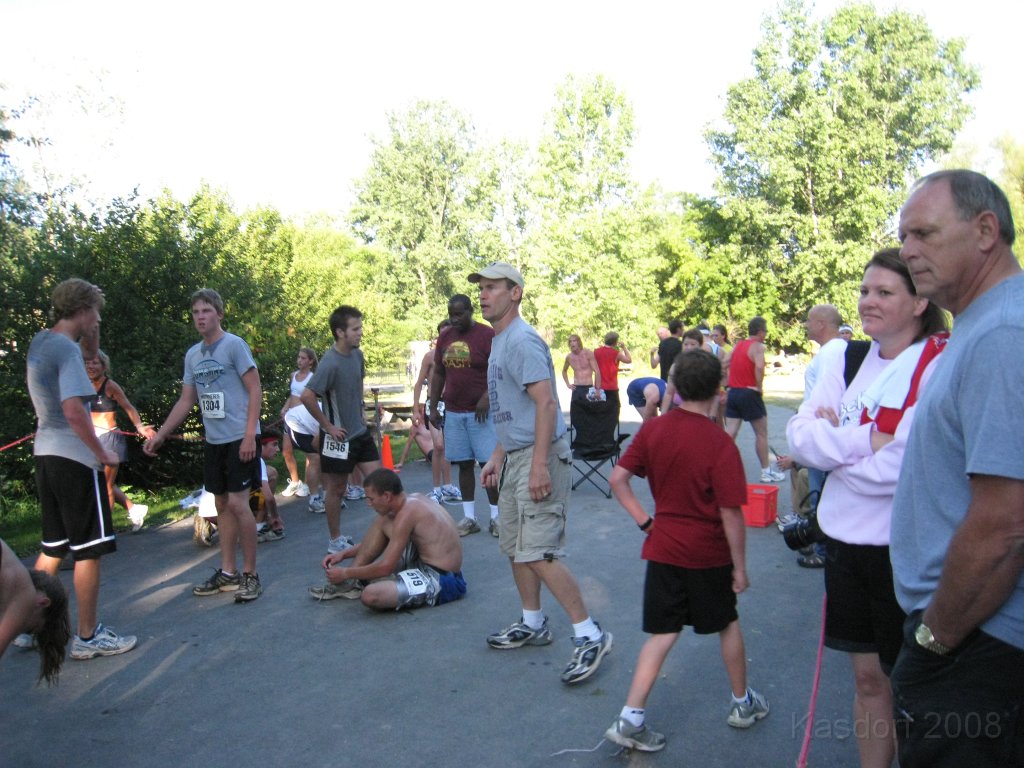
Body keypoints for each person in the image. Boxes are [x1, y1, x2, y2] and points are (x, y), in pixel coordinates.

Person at [787, 250, 948, 768]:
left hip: (907, 552)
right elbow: (800, 439)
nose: (868, 302)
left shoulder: (938, 363)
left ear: (920, 301)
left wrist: (836, 444)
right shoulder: (842, 358)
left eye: (884, 293)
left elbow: (904, 466)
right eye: (864, 291)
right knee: (866, 679)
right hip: (845, 546)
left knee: (914, 685)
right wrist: (868, 439)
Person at [890, 170, 1024, 767]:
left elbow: (1005, 524)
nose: (907, 250)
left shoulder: (1002, 333)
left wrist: (935, 638)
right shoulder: (986, 325)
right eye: (902, 236)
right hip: (974, 636)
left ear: (986, 231)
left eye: (923, 233)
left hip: (976, 643)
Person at [604, 350, 769, 752]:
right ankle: (742, 703)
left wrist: (646, 522)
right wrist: (740, 568)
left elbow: (617, 480)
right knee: (727, 623)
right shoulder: (719, 443)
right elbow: (731, 513)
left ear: (674, 387)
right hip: (707, 553)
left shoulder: (654, 431)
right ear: (719, 390)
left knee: (662, 633)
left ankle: (631, 717)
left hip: (663, 549)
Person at [471, 262, 612, 686]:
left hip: (540, 456)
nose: (483, 295)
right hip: (515, 455)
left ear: (515, 293)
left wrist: (536, 465)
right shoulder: (499, 342)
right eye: (481, 288)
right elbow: (515, 408)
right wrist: (498, 454)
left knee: (538, 551)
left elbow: (547, 405)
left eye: (492, 288)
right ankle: (533, 623)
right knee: (516, 547)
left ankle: (589, 634)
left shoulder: (522, 341)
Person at [26, 278, 137, 657]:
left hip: (46, 453)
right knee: (88, 549)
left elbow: (91, 349)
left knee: (54, 546)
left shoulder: (41, 342)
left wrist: (92, 335)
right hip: (74, 457)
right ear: (85, 310)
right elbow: (75, 410)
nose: (97, 320)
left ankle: (28, 622)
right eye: (96, 314)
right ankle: (89, 638)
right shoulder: (67, 351)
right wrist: (102, 453)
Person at [145, 288, 264, 603]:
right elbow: (187, 399)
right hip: (214, 441)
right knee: (221, 505)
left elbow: (255, 390)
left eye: (206, 311)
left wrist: (251, 434)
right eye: (196, 312)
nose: (200, 316)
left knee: (240, 505)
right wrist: (160, 434)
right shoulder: (193, 355)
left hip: (240, 437)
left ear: (219, 314)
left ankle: (251, 574)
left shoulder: (234, 346)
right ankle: (228, 572)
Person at [308, 469, 466, 610]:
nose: (369, 504)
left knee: (370, 595)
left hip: (444, 579)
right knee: (383, 520)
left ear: (387, 496)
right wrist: (343, 554)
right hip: (424, 562)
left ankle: (353, 580)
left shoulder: (407, 514)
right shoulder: (412, 501)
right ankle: (352, 584)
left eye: (371, 499)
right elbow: (384, 540)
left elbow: (386, 567)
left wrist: (346, 573)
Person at [299, 305, 382, 554]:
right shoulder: (329, 362)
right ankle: (335, 539)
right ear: (340, 332)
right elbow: (307, 396)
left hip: (359, 433)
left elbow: (358, 384)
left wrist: (361, 411)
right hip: (338, 438)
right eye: (355, 329)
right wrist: (328, 427)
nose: (360, 333)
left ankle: (392, 532)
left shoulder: (358, 355)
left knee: (380, 482)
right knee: (336, 489)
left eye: (360, 327)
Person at [781, 303, 847, 568]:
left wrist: (813, 437)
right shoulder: (833, 350)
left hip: (822, 436)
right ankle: (825, 546)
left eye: (809, 321)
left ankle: (824, 550)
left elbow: (826, 398)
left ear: (822, 324)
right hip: (823, 434)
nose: (806, 325)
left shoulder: (832, 352)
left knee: (822, 496)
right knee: (823, 493)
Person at [428, 295, 501, 537]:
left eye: (459, 313)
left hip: (480, 413)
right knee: (463, 464)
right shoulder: (446, 337)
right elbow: (438, 372)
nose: (454, 318)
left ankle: (496, 517)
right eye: (451, 313)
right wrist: (433, 405)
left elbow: (499, 370)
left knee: (487, 465)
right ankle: (469, 518)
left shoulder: (486, 335)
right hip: (454, 411)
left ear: (471, 311)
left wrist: (487, 397)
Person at [83, 349, 157, 532]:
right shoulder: (81, 384)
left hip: (110, 438)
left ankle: (104, 530)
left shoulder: (110, 386)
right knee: (95, 481)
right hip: (90, 440)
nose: (91, 366)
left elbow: (128, 407)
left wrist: (139, 427)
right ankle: (134, 509)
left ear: (103, 366)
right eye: (87, 363)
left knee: (105, 486)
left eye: (95, 363)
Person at [1, 538, 71, 684]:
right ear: (43, 602)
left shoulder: (9, 571)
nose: (18, 629)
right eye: (29, 629)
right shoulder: (25, 594)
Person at [724, 317, 784, 483]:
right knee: (761, 433)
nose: (765, 335)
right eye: (765, 331)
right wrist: (758, 387)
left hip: (733, 392)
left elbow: (723, 363)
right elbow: (759, 366)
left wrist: (726, 383)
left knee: (730, 433)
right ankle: (766, 471)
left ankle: (718, 468)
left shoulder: (737, 346)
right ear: (759, 332)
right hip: (749, 393)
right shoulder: (757, 346)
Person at [413, 320, 458, 506]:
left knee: (447, 447)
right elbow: (418, 383)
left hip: (451, 404)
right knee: (438, 446)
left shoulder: (457, 356)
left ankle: (447, 486)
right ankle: (436, 488)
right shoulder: (430, 357)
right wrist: (415, 409)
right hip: (434, 404)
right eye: (442, 334)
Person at [278, 347, 317, 499]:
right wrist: (285, 408)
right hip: (290, 418)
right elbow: (292, 395)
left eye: (303, 358)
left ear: (311, 361)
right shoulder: (293, 375)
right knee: (286, 450)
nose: (299, 361)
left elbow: (312, 399)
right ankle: (295, 481)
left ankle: (307, 484)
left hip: (305, 419)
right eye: (299, 357)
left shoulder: (313, 378)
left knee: (309, 453)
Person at [253, 429, 285, 542]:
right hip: (230, 509)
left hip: (213, 509)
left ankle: (208, 522)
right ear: (261, 445)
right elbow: (269, 498)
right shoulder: (257, 460)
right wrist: (275, 516)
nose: (278, 449)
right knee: (272, 473)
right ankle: (258, 526)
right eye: (274, 444)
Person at [593, 331, 631, 414]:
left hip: (598, 387)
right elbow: (629, 360)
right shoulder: (616, 353)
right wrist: (624, 347)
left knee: (599, 411)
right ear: (615, 342)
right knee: (613, 411)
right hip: (612, 386)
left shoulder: (596, 352)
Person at [561, 334, 602, 402]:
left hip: (588, 387)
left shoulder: (588, 353)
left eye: (574, 341)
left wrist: (597, 389)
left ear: (579, 342)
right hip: (576, 388)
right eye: (570, 342)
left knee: (589, 412)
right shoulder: (569, 357)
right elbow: (564, 371)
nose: (572, 343)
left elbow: (597, 371)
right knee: (575, 412)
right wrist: (568, 384)